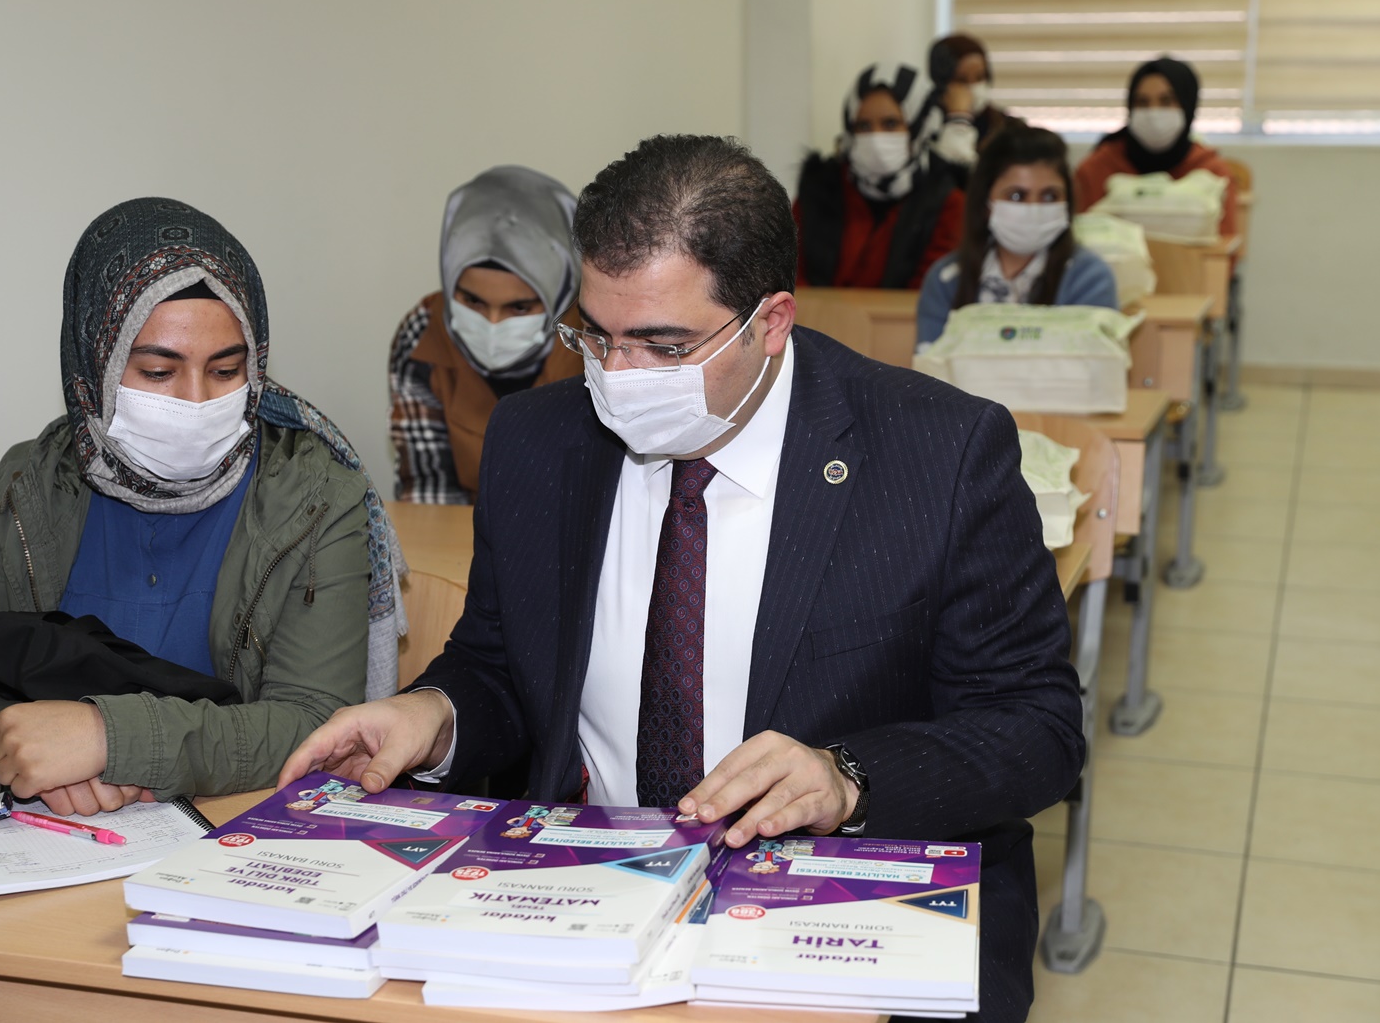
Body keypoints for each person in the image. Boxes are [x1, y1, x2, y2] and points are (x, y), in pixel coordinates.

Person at [283, 135, 1084, 1022]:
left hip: (849, 896)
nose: (619, 377)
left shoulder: (937, 453)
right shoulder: (539, 441)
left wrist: (847, 776)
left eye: (664, 346)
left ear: (771, 322)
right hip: (593, 888)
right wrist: (435, 715)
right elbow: (502, 664)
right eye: (596, 335)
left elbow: (1037, 726)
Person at [0, 198, 404, 815]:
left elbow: (315, 721)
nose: (196, 400)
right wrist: (20, 759)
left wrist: (109, 741)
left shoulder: (316, 495)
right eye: (159, 372)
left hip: (233, 833)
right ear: (96, 364)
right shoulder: (34, 482)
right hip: (62, 836)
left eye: (226, 370)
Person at [389, 166, 583, 504]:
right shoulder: (424, 333)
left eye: (519, 307)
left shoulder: (597, 339)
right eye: (473, 301)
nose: (492, 324)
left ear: (559, 292)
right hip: (460, 527)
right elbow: (428, 487)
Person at [917, 123, 1119, 345]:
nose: (1034, 208)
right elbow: (929, 361)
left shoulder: (1089, 278)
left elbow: (1091, 362)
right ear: (986, 202)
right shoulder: (947, 279)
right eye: (1016, 196)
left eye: (1050, 196)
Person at [795, 61, 966, 289]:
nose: (876, 137)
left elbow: (929, 291)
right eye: (864, 126)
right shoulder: (819, 190)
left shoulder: (947, 203)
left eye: (891, 124)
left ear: (918, 127)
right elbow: (790, 273)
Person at [1073, 56, 1240, 241]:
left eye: (1166, 101)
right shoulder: (1096, 170)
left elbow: (1225, 249)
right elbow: (1077, 243)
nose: (1153, 113)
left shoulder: (1212, 174)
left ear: (1187, 105)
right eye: (1142, 102)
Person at [929, 32, 1010, 169]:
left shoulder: (1007, 127)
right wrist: (958, 118)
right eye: (961, 80)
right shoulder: (927, 129)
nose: (973, 87)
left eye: (980, 77)